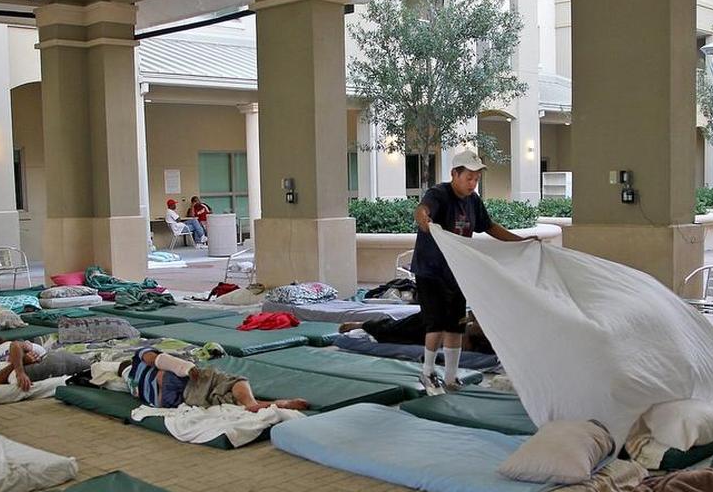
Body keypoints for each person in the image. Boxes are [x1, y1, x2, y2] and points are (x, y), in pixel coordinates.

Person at [411, 149, 531, 394]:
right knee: (436, 324)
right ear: (455, 174)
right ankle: (428, 374)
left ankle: (452, 378)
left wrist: (521, 241)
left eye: (477, 179)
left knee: (456, 325)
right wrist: (425, 221)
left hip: (458, 271)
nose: (473, 183)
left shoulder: (473, 201)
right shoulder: (439, 194)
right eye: (469, 178)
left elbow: (490, 227)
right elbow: (422, 210)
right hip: (431, 271)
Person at [120, 347, 309, 413]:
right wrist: (185, 367)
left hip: (169, 402)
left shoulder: (132, 387)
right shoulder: (138, 360)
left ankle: (266, 405)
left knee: (220, 399)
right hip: (171, 381)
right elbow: (156, 359)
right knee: (231, 381)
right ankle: (251, 403)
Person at [339, 311, 496, 355]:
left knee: (393, 333)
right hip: (434, 321)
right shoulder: (483, 320)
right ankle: (360, 325)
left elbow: (465, 344)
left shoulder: (486, 343)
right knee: (391, 329)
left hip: (434, 332)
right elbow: (470, 315)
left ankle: (364, 325)